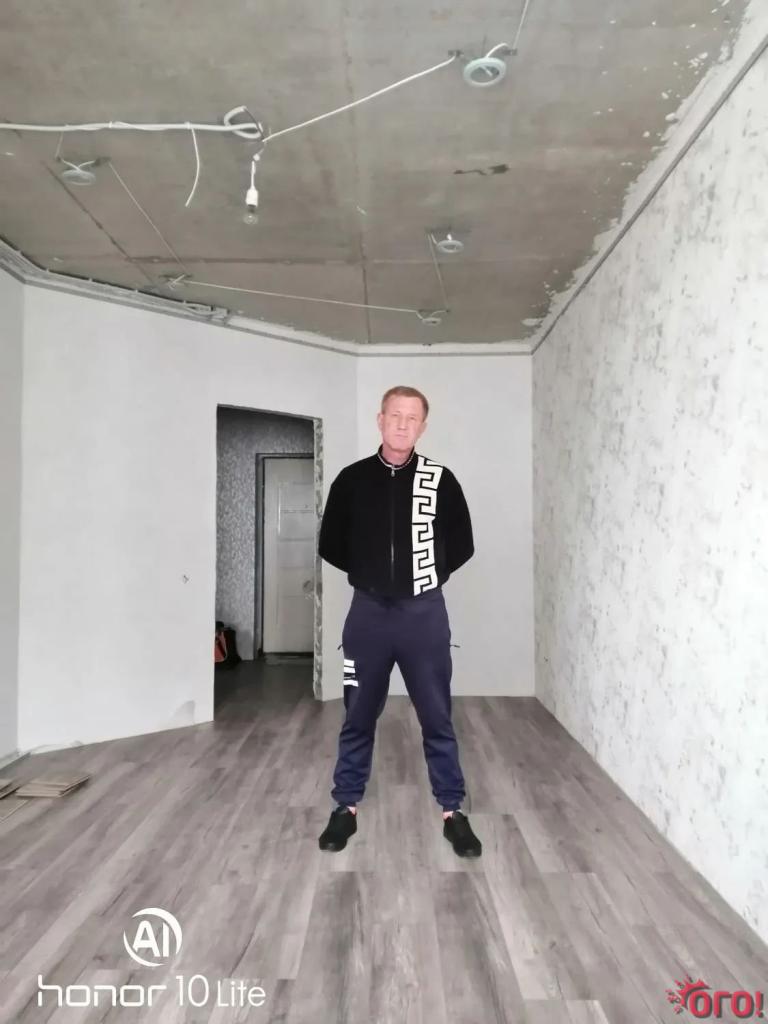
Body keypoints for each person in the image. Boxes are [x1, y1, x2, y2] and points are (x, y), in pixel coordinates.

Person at [316, 385, 482, 857]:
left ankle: (453, 811)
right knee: (357, 715)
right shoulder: (351, 480)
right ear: (380, 419)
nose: (403, 424)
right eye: (395, 415)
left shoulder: (439, 480)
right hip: (367, 615)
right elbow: (331, 543)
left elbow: (462, 544)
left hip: (423, 615)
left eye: (412, 418)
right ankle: (345, 806)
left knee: (437, 716)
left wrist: (422, 577)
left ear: (422, 427)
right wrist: (373, 574)